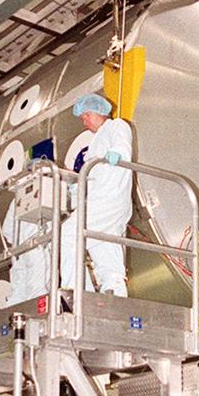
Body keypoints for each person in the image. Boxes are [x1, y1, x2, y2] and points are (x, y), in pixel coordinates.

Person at [60, 93, 133, 297]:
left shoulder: (116, 126)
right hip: (105, 201)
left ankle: (78, 291)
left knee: (67, 235)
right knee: (104, 246)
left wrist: (117, 153)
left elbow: (122, 146)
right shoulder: (96, 141)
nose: (84, 121)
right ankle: (115, 292)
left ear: (101, 112)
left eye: (87, 115)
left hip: (107, 199)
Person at [1, 196, 49, 307]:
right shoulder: (47, 187)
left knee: (19, 282)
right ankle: (36, 311)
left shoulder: (20, 194)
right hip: (35, 243)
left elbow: (8, 230)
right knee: (38, 282)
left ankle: (14, 312)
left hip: (20, 246)